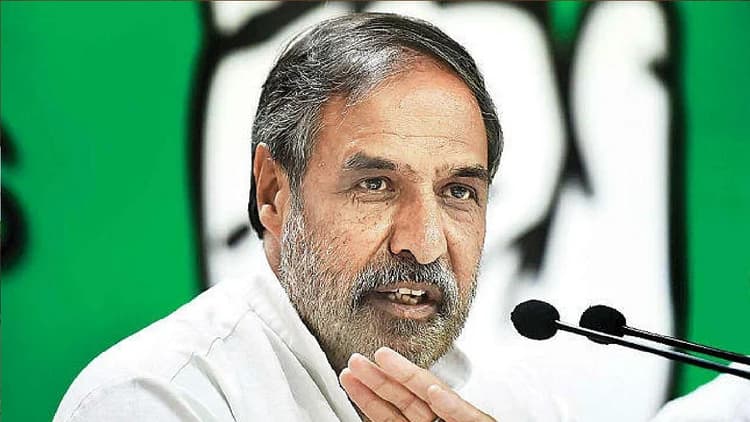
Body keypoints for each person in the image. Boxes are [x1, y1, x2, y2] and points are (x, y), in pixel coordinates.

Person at [54, 13, 571, 422]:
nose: (425, 242)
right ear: (274, 193)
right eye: (375, 185)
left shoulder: (512, 402)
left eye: (458, 191)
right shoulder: (157, 398)